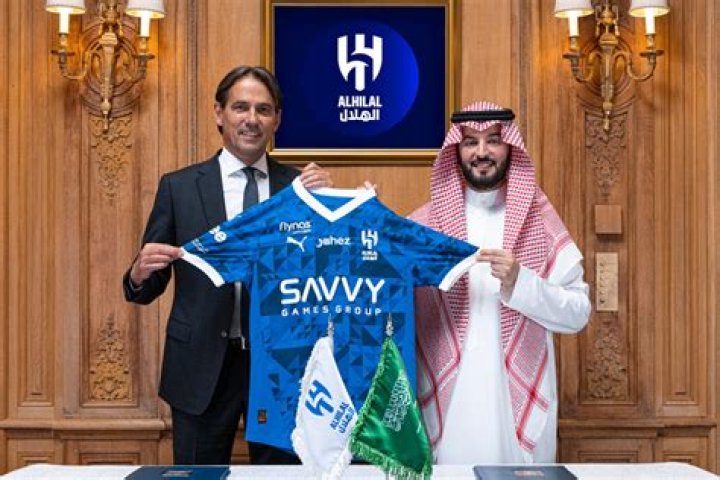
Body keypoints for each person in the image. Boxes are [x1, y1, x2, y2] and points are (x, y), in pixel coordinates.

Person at [122, 65, 332, 465]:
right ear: (219, 113)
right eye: (240, 107)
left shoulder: (300, 189)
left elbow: (326, 275)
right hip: (200, 365)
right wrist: (138, 272)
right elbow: (147, 286)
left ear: (277, 120)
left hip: (281, 369)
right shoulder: (179, 187)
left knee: (282, 477)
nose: (252, 119)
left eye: (263, 110)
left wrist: (326, 208)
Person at [411, 101, 591, 464]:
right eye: (470, 142)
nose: (482, 152)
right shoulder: (425, 226)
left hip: (514, 408)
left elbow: (578, 312)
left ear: (509, 147)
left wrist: (520, 282)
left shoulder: (539, 223)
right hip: (448, 407)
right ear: (456, 150)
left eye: (493, 140)